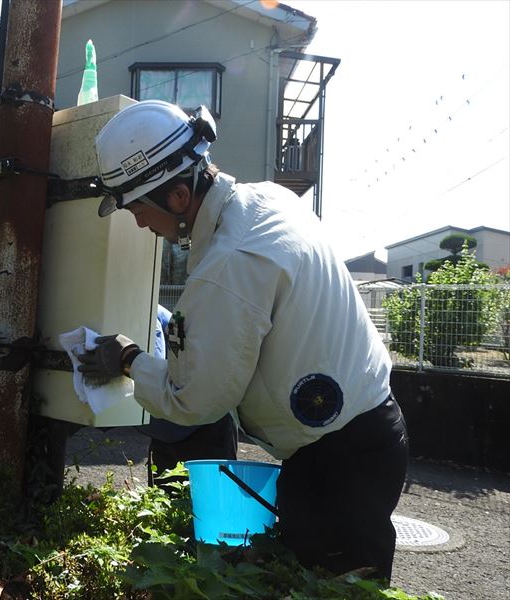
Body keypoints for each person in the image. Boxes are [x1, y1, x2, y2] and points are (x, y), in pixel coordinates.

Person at [77, 99, 408, 582]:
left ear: (177, 197)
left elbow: (196, 400)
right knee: (316, 576)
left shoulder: (230, 262)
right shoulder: (267, 199)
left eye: (137, 209)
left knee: (335, 586)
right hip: (365, 432)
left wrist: (128, 358)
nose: (139, 224)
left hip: (341, 460)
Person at [139, 304, 238, 487]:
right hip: (184, 411)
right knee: (169, 495)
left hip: (198, 419)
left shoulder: (144, 314)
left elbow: (154, 387)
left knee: (209, 493)